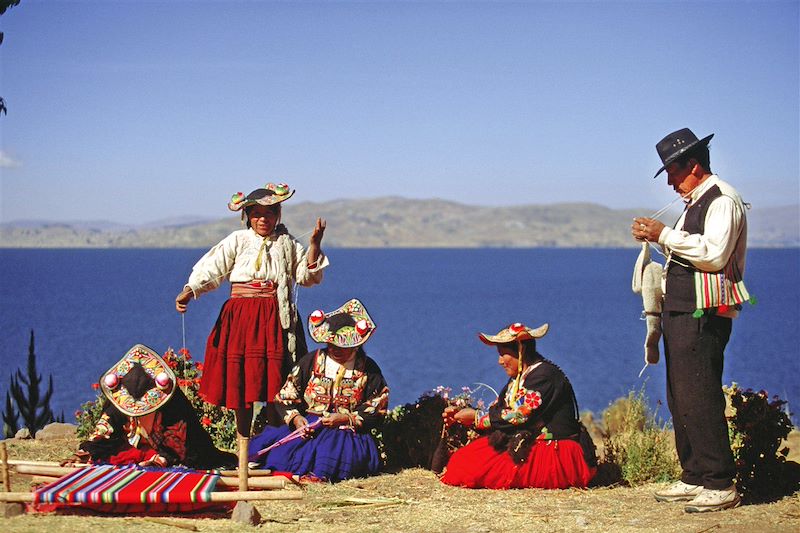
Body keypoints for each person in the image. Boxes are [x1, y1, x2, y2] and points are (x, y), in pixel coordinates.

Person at [174, 182, 328, 485]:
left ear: (278, 213)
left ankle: (275, 456)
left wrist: (315, 244)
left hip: (276, 319)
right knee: (243, 386)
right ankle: (244, 457)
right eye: (256, 214)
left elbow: (308, 277)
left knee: (277, 386)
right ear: (247, 216)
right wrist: (190, 290)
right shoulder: (238, 240)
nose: (263, 219)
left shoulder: (288, 244)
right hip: (242, 319)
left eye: (269, 213)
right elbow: (213, 267)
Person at [632, 128, 750, 513]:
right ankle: (694, 475)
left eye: (672, 171)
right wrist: (662, 237)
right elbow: (688, 250)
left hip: (704, 314)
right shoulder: (694, 201)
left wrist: (663, 233)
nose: (669, 180)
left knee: (700, 395)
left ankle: (720, 483)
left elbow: (714, 255)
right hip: (682, 312)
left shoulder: (723, 200)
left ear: (694, 166)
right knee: (682, 394)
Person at [440, 322, 596, 489]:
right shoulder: (521, 377)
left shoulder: (545, 376)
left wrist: (477, 417)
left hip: (559, 453)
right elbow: (499, 411)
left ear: (521, 351)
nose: (500, 361)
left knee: (469, 469)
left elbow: (519, 415)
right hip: (530, 444)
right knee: (462, 460)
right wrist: (462, 416)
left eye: (503, 354)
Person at [248, 298, 389, 482]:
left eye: (341, 346)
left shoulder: (368, 369)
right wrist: (297, 420)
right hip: (311, 428)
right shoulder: (311, 361)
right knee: (279, 456)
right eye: (331, 345)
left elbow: (377, 406)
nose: (335, 350)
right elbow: (285, 396)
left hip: (347, 433)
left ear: (355, 345)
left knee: (330, 454)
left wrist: (345, 418)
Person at [75, 344, 236, 469]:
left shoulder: (174, 411)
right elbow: (102, 433)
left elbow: (180, 451)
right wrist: (90, 450)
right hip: (139, 449)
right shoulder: (117, 406)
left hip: (173, 453)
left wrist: (159, 460)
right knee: (110, 455)